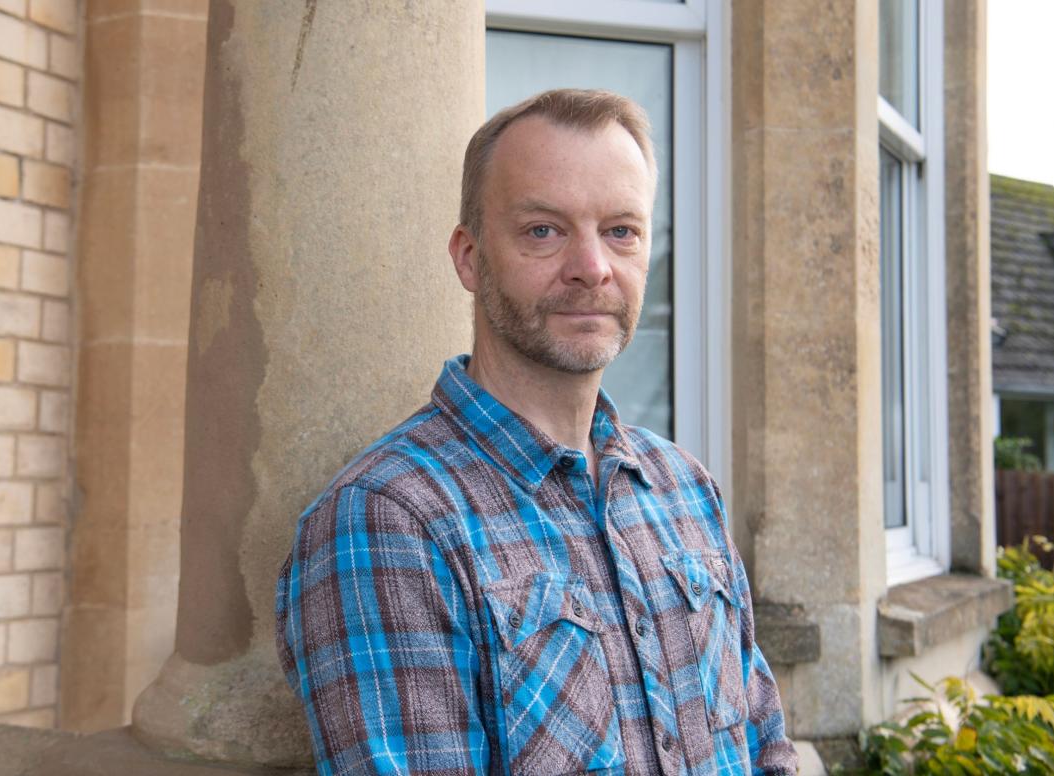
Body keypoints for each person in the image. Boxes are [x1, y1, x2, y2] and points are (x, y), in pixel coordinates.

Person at [276, 88, 798, 775]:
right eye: (542, 231)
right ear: (469, 258)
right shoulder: (389, 521)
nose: (592, 267)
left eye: (621, 230)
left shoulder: (684, 490)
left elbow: (766, 748)